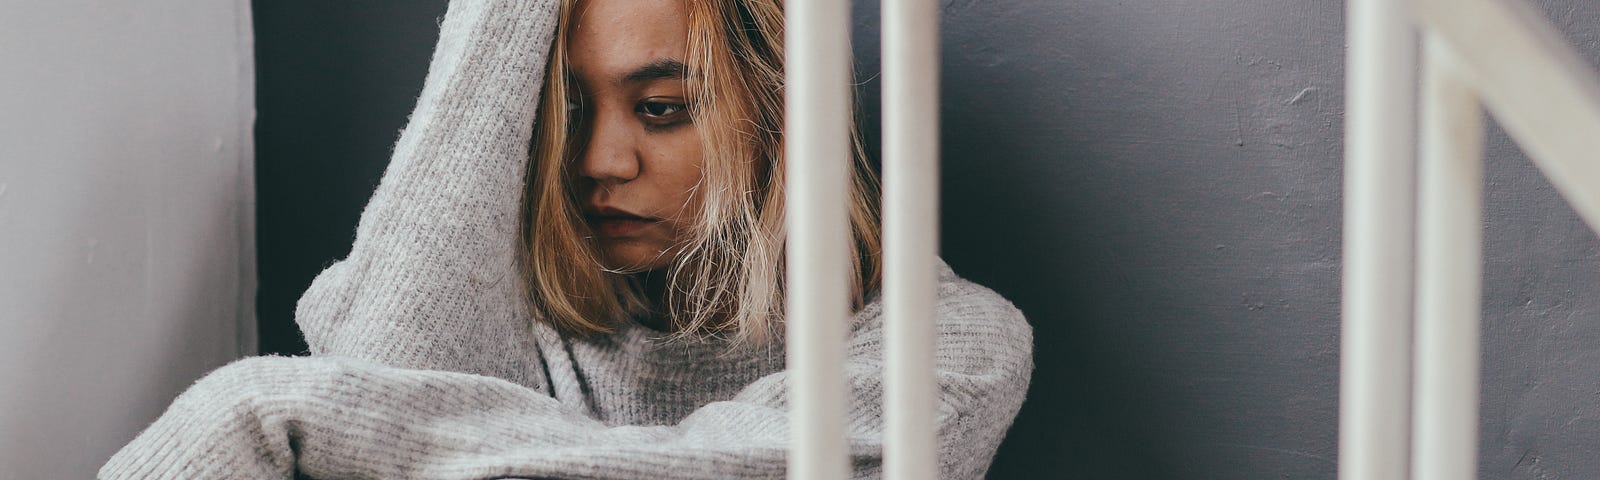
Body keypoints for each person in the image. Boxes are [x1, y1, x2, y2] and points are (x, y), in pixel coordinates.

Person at [100, 0, 1032, 478]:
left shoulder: (949, 345)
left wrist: (274, 411)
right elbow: (376, 365)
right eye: (564, 112)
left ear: (782, 114)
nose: (599, 160)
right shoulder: (517, 324)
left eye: (661, 109)